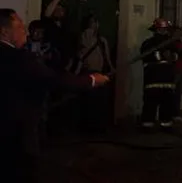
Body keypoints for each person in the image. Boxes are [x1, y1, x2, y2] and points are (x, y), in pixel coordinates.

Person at [0, 9, 110, 182]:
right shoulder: (18, 58)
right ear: (4, 32)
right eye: (20, 26)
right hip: (15, 134)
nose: (25, 31)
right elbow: (54, 79)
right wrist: (91, 80)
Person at [140, 18, 178, 129]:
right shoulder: (148, 43)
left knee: (167, 101)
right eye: (161, 29)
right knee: (150, 101)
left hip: (167, 76)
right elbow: (146, 56)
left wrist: (171, 56)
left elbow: (177, 55)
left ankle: (165, 123)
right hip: (153, 76)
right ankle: (148, 124)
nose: (163, 31)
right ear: (156, 29)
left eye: (165, 29)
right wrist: (161, 55)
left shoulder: (171, 42)